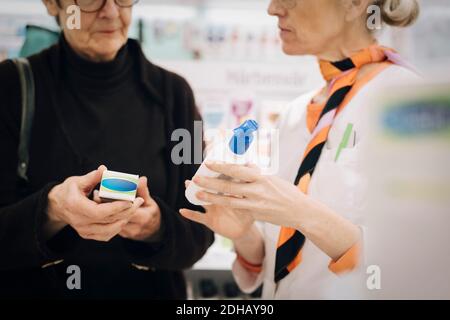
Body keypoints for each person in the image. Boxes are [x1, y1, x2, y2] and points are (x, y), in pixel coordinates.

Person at [180, 0, 420, 299]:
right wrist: (244, 233)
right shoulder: (294, 114)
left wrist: (302, 213)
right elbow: (285, 268)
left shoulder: (411, 106)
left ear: (355, 4)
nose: (273, 9)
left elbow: (416, 270)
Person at [0, 0, 213, 299]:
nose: (111, 11)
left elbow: (200, 229)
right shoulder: (10, 88)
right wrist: (52, 209)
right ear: (52, 4)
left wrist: (154, 226)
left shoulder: (175, 95)